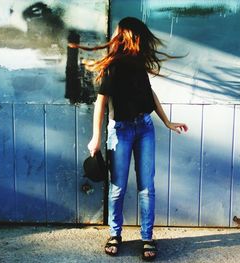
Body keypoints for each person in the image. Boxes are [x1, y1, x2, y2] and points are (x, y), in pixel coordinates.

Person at [69, 17, 188, 261]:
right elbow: (100, 103)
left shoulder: (138, 63)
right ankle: (115, 234)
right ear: (133, 37)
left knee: (147, 187)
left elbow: (149, 92)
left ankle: (147, 237)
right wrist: (95, 138)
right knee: (118, 188)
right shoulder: (113, 65)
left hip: (144, 128)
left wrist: (166, 121)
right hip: (120, 131)